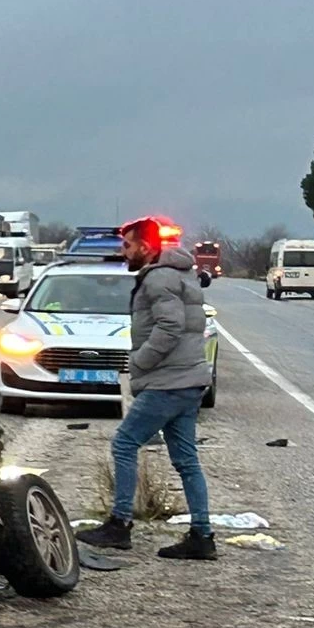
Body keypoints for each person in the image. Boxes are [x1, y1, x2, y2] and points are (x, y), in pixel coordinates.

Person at [77, 217, 216, 561]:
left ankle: (120, 525)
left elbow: (171, 326)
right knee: (186, 460)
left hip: (168, 381)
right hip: (189, 378)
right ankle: (202, 534)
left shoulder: (159, 278)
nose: (123, 252)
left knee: (124, 443)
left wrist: (140, 361)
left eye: (127, 245)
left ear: (145, 246)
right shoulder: (179, 273)